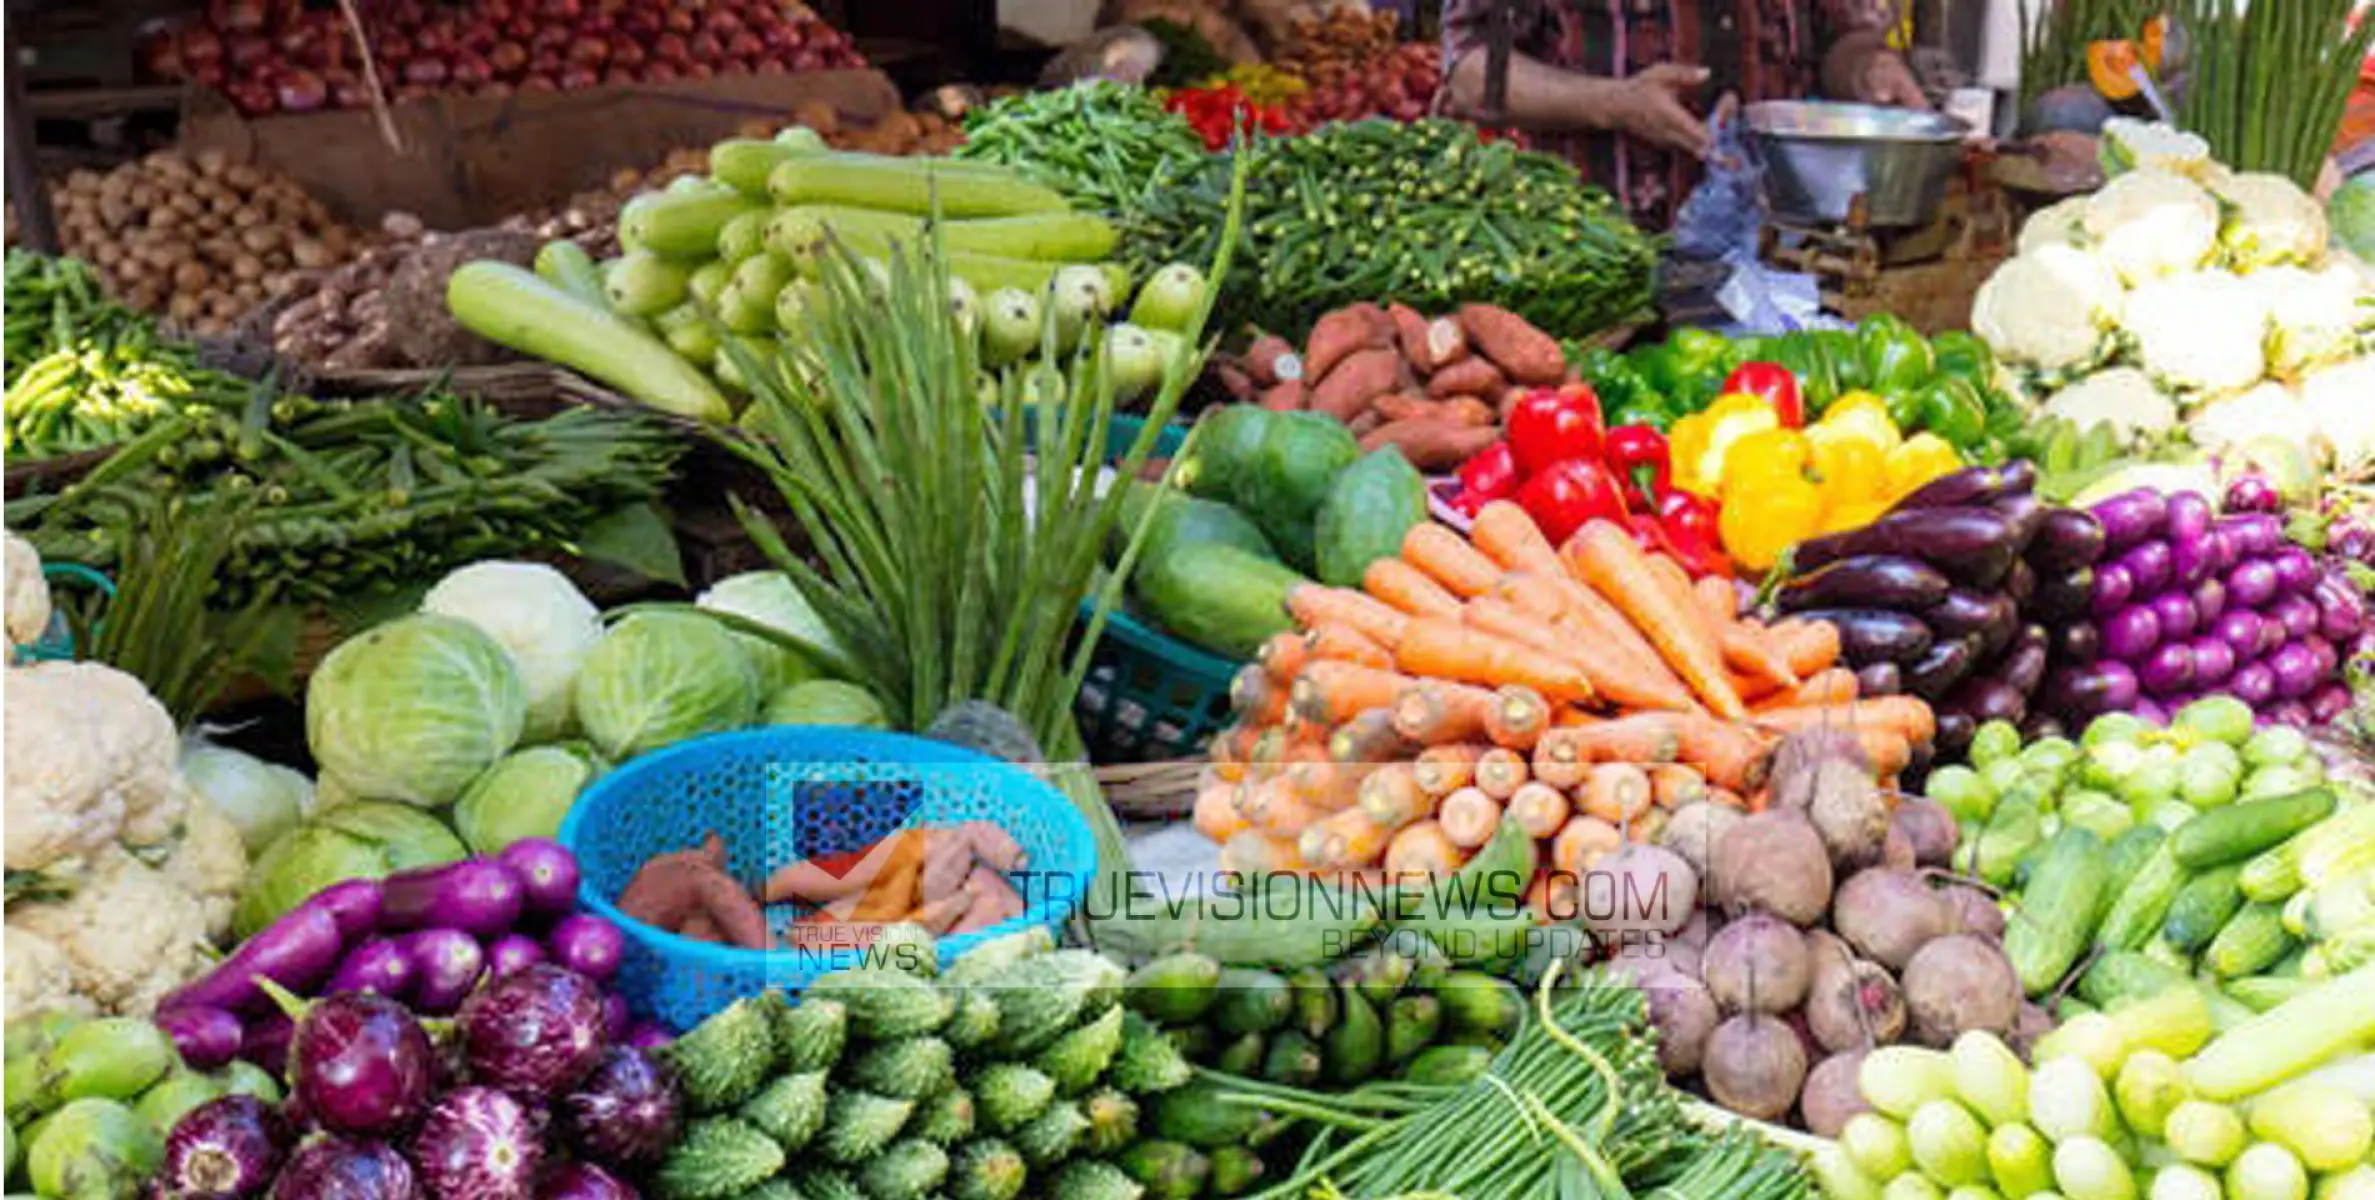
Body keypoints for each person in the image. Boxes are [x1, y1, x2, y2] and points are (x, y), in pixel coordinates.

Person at [1438, 0, 1931, 227]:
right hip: (1604, 264)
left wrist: (1869, 68)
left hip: (1784, 266)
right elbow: (1472, 71)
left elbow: (1843, 34)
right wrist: (1613, 104)